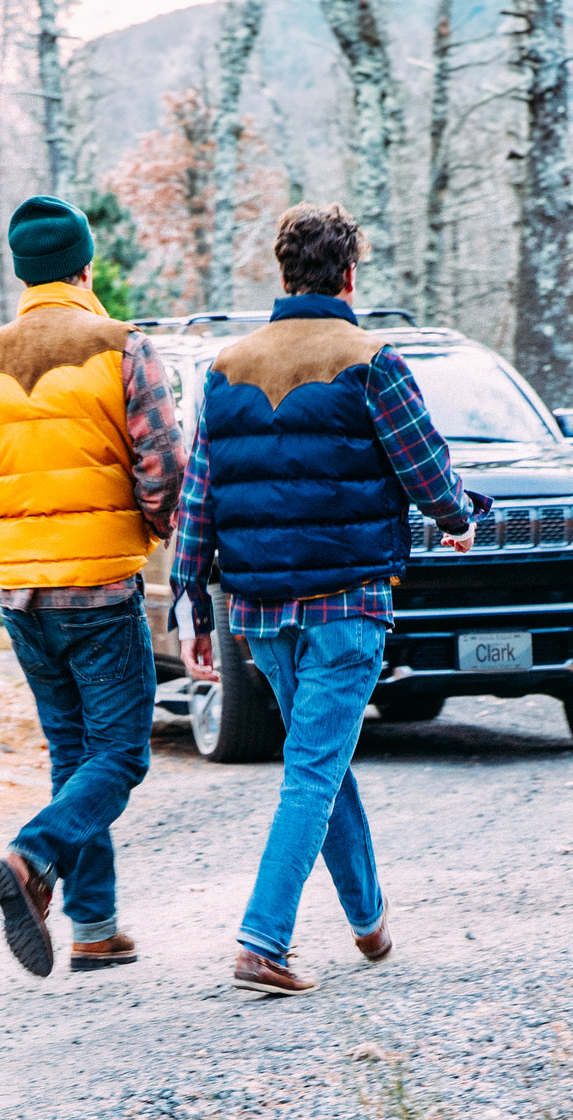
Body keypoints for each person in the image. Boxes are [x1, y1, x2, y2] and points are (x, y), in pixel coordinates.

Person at [169, 201, 491, 996]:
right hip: (347, 604)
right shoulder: (371, 359)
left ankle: (369, 921)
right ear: (350, 274)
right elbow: (425, 470)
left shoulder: (225, 367)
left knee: (322, 761)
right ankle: (262, 941)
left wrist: (189, 601)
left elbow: (199, 498)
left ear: (283, 272)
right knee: (312, 770)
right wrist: (459, 519)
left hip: (258, 614)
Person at [0, 195, 186, 978]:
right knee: (121, 755)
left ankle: (96, 928)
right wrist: (148, 528)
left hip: (20, 596)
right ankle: (30, 856)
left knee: (74, 753)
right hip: (101, 590)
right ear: (84, 265)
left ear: (22, 272)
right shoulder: (123, 347)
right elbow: (167, 467)